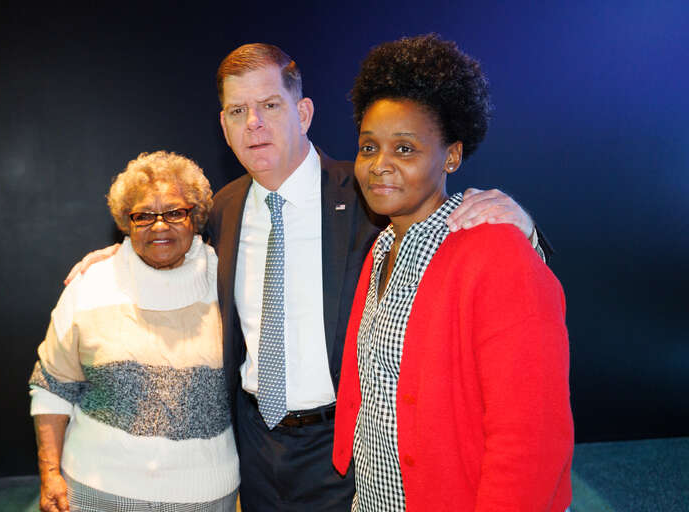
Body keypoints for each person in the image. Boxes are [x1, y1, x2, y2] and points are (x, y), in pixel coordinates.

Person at [64, 43, 550, 511]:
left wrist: (521, 224)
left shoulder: (368, 194)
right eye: (238, 111)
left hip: (347, 446)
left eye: (270, 105)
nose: (253, 123)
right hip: (254, 440)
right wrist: (120, 254)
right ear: (224, 126)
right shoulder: (221, 210)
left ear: (303, 113)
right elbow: (166, 243)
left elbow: (454, 237)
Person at [332, 35, 573, 511]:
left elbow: (531, 437)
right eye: (368, 147)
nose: (379, 166)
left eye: (404, 149)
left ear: (452, 156)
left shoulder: (498, 253)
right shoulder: (380, 248)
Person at [29, 151, 239, 512]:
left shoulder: (229, 279)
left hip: (204, 496)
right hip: (96, 492)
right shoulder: (89, 283)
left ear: (196, 216)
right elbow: (52, 387)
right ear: (127, 222)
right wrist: (50, 475)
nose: (160, 227)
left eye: (174, 212)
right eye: (144, 215)